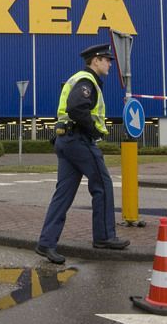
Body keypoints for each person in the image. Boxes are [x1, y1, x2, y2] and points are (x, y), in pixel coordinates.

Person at [35, 43, 130, 264]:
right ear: (95, 61)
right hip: (79, 140)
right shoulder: (87, 81)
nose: (109, 63)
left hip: (65, 140)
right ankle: (105, 236)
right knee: (103, 185)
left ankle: (46, 243)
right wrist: (94, 130)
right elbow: (76, 108)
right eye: (106, 60)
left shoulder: (79, 79)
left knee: (63, 194)